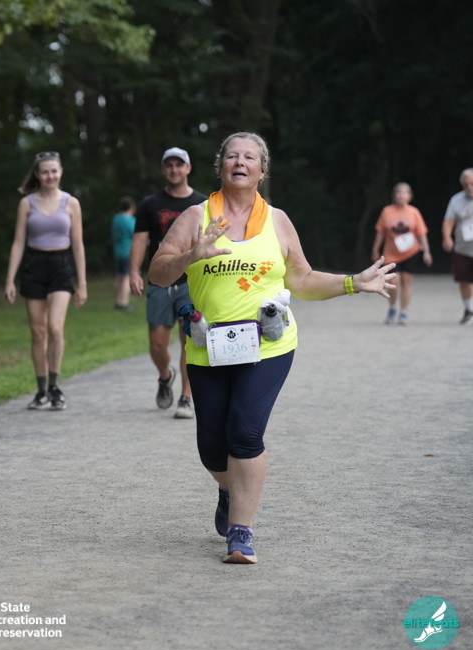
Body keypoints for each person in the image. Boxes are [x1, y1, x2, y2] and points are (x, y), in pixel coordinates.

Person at [148, 132, 395, 565]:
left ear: (262, 170)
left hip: (268, 345)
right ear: (220, 166)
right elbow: (157, 273)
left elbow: (302, 279)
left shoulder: (278, 221)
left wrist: (353, 282)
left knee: (244, 431)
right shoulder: (194, 217)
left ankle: (241, 533)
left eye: (249, 157)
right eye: (231, 155)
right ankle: (230, 490)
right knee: (212, 447)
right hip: (209, 347)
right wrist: (192, 255)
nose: (239, 162)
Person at [4, 151, 87, 410]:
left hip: (61, 266)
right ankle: (41, 390)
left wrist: (82, 283)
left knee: (55, 328)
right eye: (45, 172)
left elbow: (78, 245)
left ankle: (54, 386)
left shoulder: (71, 203)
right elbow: (18, 243)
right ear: (37, 175)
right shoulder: (27, 203)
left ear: (60, 172)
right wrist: (10, 279)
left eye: (54, 171)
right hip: (34, 266)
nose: (50, 176)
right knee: (38, 332)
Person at [129, 147, 207, 419]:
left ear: (188, 168)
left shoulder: (202, 204)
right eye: (169, 165)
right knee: (157, 344)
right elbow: (140, 240)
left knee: (189, 342)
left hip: (192, 281)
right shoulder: (151, 204)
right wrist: (134, 272)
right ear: (163, 170)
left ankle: (186, 397)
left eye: (179, 164)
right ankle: (165, 374)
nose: (174, 169)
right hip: (160, 281)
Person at [370, 182, 432, 324]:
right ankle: (392, 308)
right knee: (393, 282)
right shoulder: (387, 211)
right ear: (394, 195)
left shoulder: (414, 212)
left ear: (410, 196)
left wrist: (427, 251)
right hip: (391, 253)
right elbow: (380, 232)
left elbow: (422, 233)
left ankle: (403, 312)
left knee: (406, 282)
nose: (401, 195)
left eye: (404, 192)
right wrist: (375, 249)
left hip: (411, 252)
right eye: (398, 192)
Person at [441, 168, 473, 324]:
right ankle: (469, 309)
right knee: (464, 280)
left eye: (472, 184)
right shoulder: (456, 200)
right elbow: (448, 221)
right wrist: (447, 237)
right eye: (466, 185)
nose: (469, 187)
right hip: (463, 248)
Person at [111, 196, 136, 310]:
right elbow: (135, 235)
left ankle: (117, 300)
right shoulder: (130, 220)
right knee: (126, 276)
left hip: (118, 251)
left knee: (120, 276)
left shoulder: (116, 219)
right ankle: (124, 302)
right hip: (128, 251)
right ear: (131, 207)